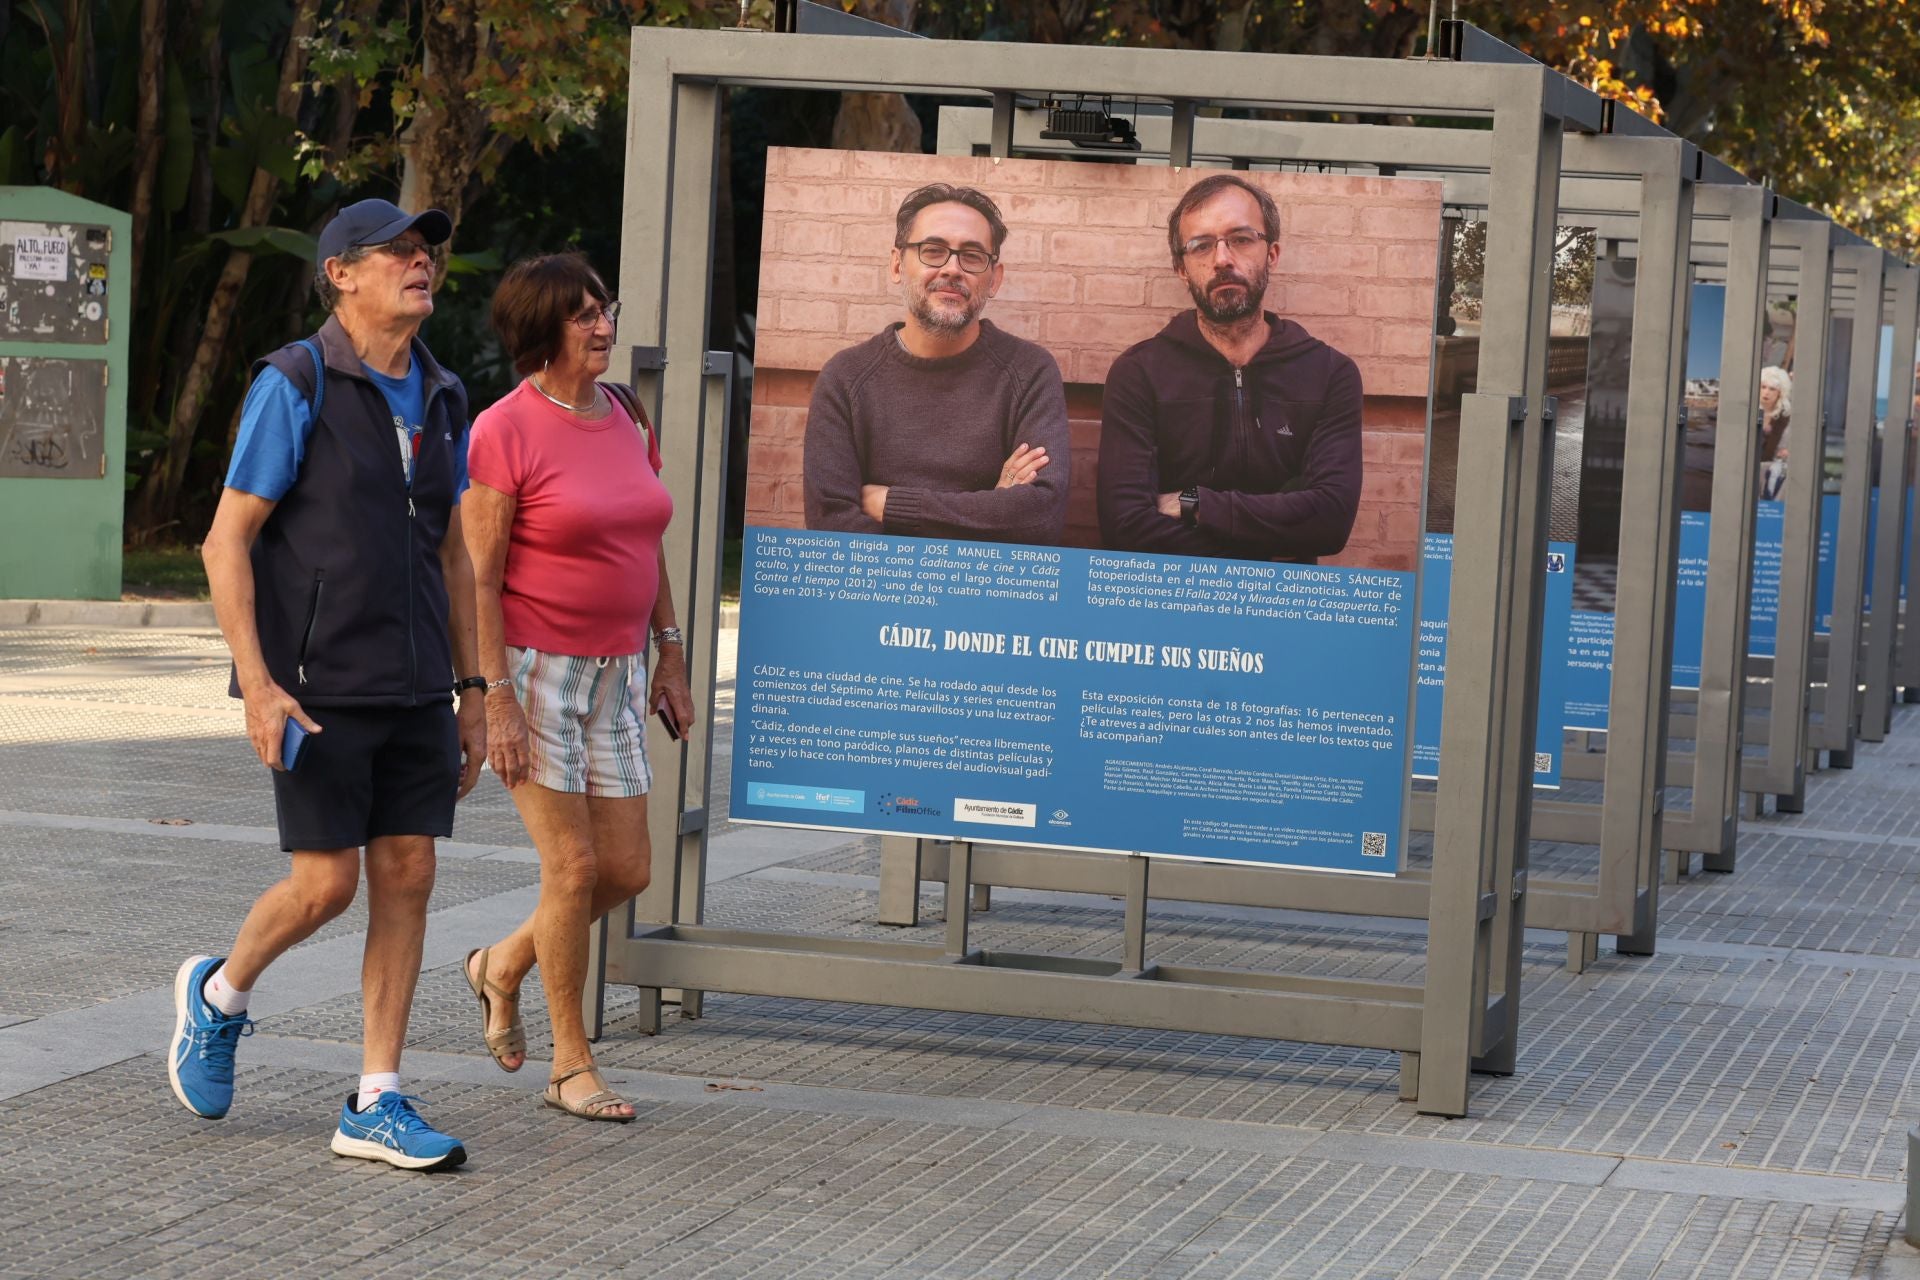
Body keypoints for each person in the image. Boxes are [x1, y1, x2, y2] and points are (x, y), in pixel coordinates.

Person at [174, 199, 484, 1172]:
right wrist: (258, 686)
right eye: (398, 250)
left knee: (409, 875)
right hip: (317, 684)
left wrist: (475, 686)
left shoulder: (443, 392)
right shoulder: (296, 381)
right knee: (325, 884)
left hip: (418, 684)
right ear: (340, 274)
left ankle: (375, 1098)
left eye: (426, 249)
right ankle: (219, 992)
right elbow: (227, 540)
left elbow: (452, 552)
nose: (421, 261)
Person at [459, 253, 695, 1122]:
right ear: (540, 331)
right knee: (572, 867)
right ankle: (570, 1065)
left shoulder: (627, 414)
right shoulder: (503, 430)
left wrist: (669, 653)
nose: (603, 327)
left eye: (605, 309)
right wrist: (494, 696)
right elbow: (480, 579)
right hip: (535, 671)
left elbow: (645, 539)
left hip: (621, 672)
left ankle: (501, 965)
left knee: (626, 869)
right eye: (582, 315)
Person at [1097, 174, 1363, 561]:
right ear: (1182, 269)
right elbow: (1124, 527)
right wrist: (1278, 530)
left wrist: (1195, 504)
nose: (1222, 259)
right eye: (1201, 246)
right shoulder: (1138, 374)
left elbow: (1331, 521)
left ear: (1271, 253)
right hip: (1172, 601)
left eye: (1240, 239)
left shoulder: (1329, 374)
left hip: (1286, 603)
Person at [803, 183, 1070, 545]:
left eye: (973, 256)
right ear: (897, 264)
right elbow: (831, 525)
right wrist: (993, 507)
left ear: (995, 278)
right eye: (933, 251)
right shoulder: (846, 378)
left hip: (992, 596)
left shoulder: (1029, 372)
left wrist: (892, 504)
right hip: (881, 597)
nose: (952, 269)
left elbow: (1040, 517)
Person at [1758, 365, 1793, 499]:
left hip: (1768, 469)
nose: (1766, 392)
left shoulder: (1785, 418)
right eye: (1763, 387)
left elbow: (1783, 450)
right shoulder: (1749, 411)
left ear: (1780, 392)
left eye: (1772, 389)